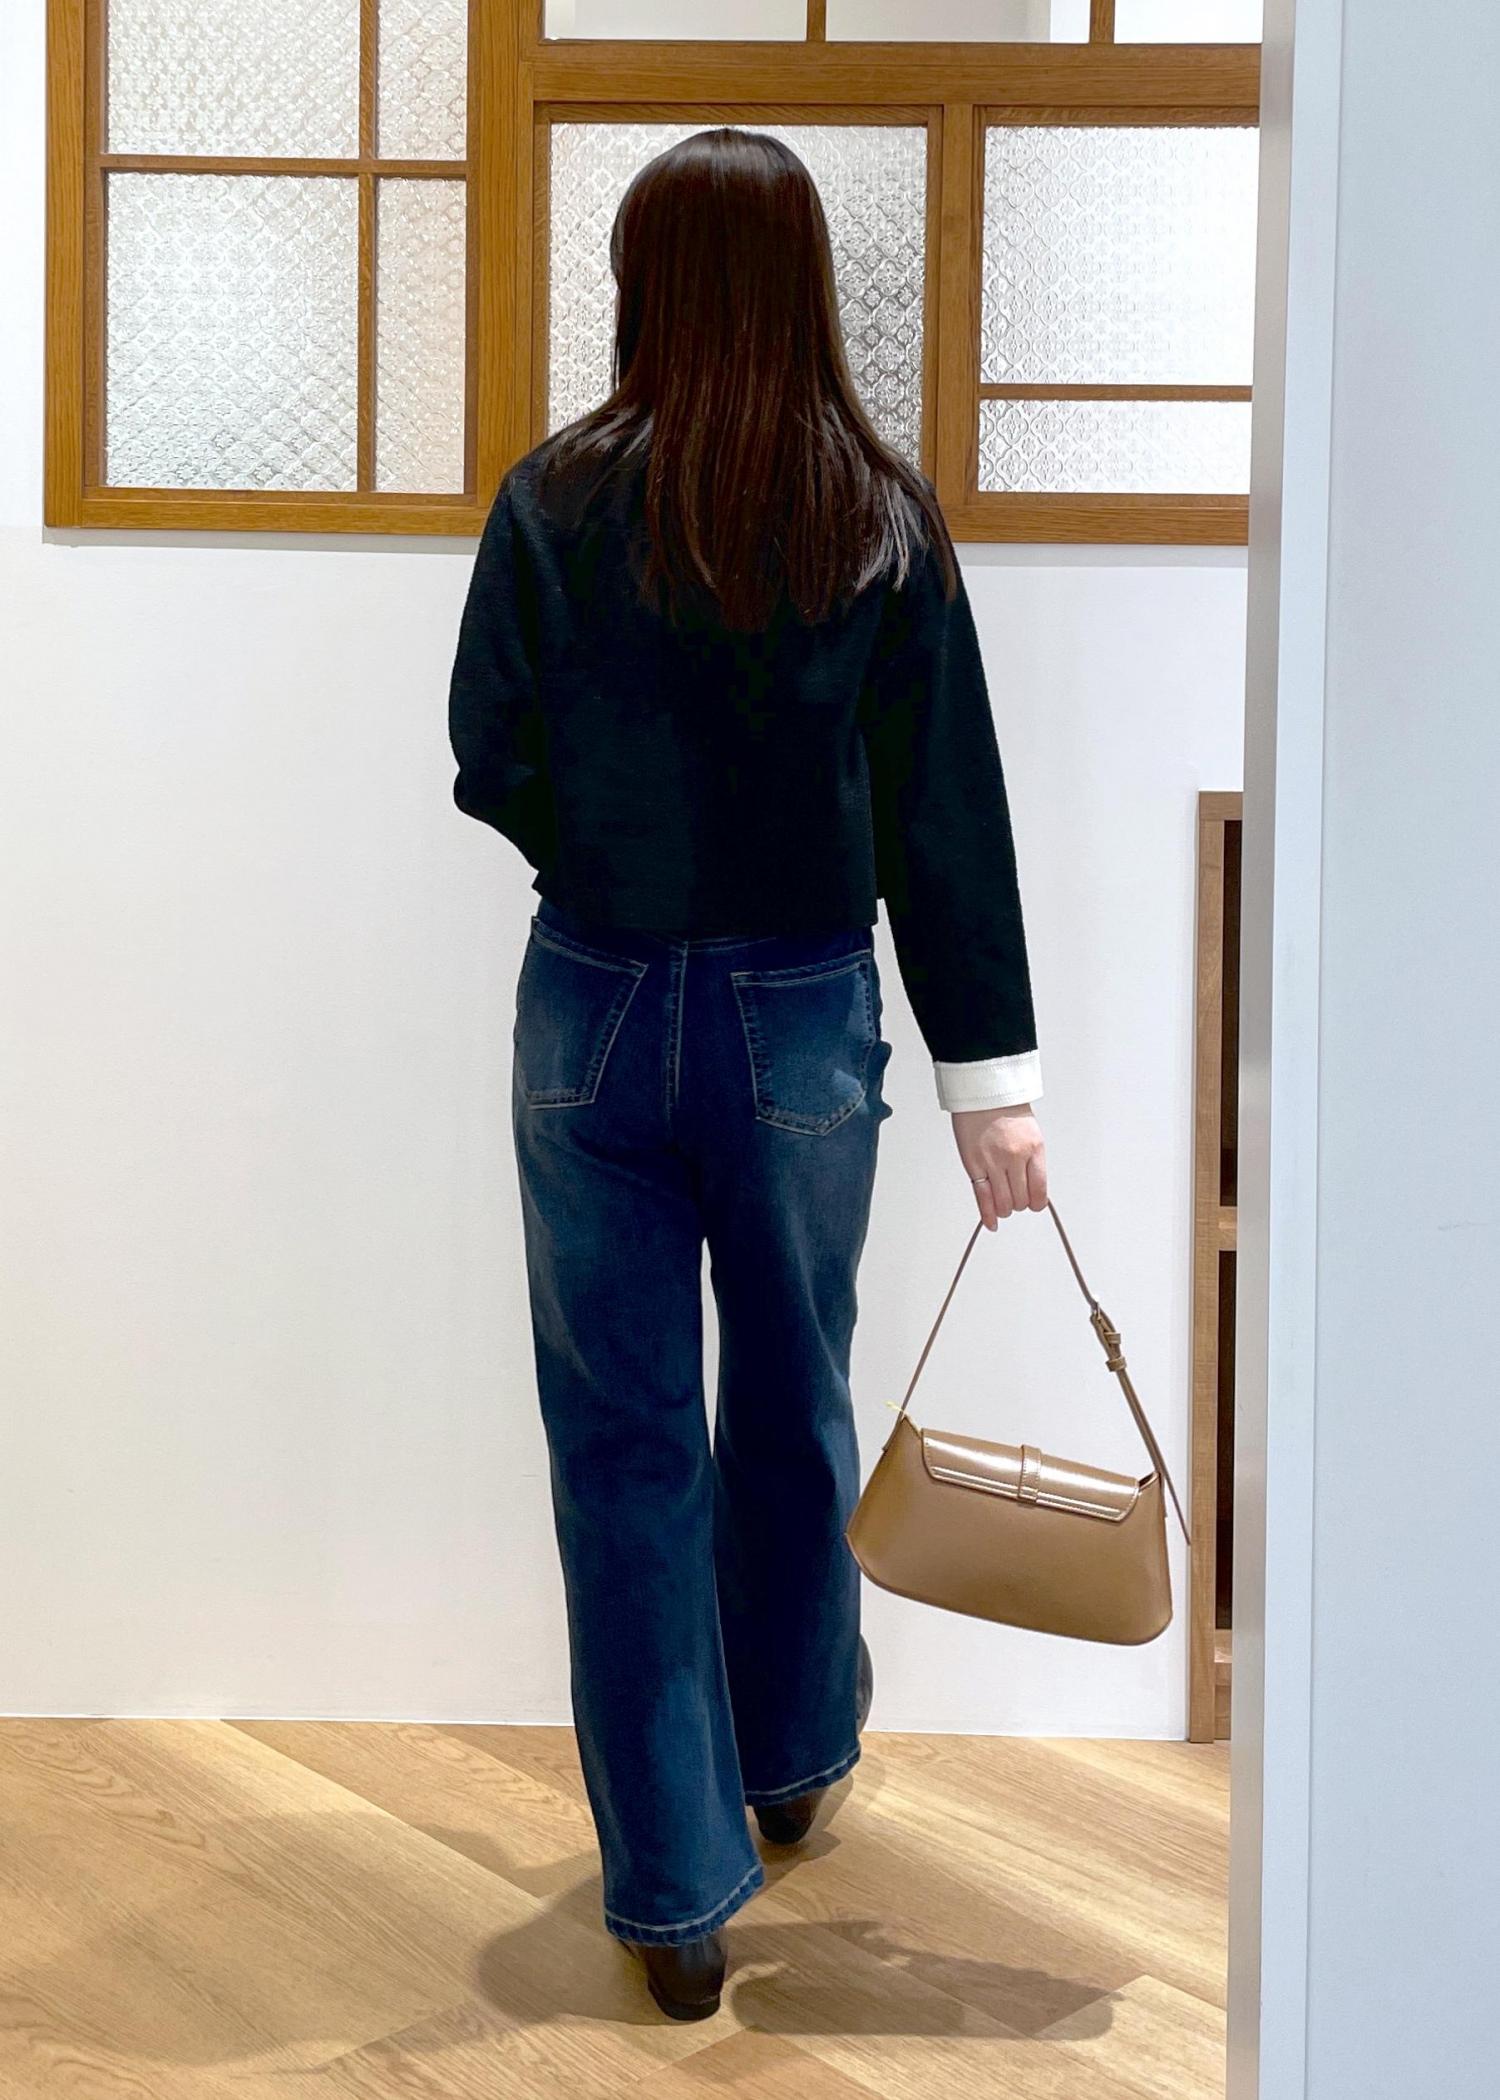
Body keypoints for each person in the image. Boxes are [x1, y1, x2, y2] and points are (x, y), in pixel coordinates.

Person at [448, 127, 1046, 2022]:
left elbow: (485, 753)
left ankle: (671, 1899)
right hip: (800, 1013)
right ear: (802, 289)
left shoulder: (553, 499)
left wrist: (607, 857)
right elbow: (944, 812)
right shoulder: (877, 513)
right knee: (792, 1395)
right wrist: (992, 1082)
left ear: (640, 285)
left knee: (621, 1443)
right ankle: (789, 1762)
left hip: (593, 1005)